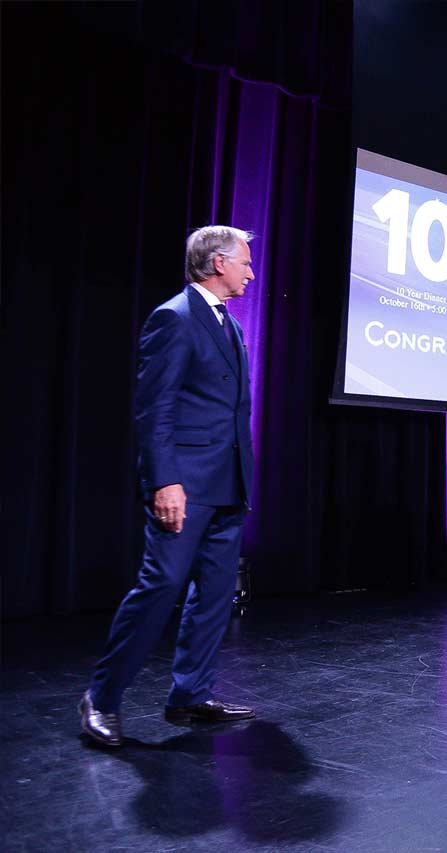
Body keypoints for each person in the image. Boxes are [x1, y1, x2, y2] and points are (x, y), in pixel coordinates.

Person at [80, 226, 259, 748]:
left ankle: (190, 695)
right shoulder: (174, 319)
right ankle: (102, 697)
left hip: (228, 481)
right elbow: (154, 408)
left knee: (216, 594)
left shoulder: (227, 322)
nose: (251, 272)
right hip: (187, 483)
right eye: (244, 263)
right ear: (217, 263)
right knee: (161, 586)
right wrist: (165, 481)